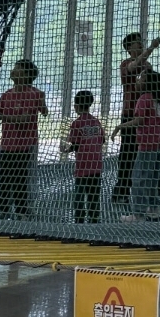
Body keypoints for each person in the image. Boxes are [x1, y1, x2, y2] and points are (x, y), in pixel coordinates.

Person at [113, 33, 160, 203]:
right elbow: (134, 66)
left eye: (141, 42)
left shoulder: (147, 66)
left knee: (149, 150)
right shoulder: (126, 64)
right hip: (131, 114)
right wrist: (152, 47)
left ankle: (154, 185)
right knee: (128, 154)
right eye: (137, 43)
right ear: (129, 48)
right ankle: (122, 190)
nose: (140, 45)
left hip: (148, 115)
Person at [0, 60, 47, 219]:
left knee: (21, 179)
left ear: (26, 75)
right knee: (4, 178)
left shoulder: (33, 94)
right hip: (7, 144)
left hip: (25, 145)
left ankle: (22, 211)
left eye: (17, 69)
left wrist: (6, 117)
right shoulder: (7, 94)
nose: (13, 71)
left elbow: (25, 119)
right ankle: (3, 209)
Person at [114, 72, 160, 222]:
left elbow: (139, 120)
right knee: (151, 177)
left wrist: (120, 126)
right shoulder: (155, 98)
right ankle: (154, 209)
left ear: (147, 83)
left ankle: (138, 213)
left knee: (138, 177)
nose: (137, 80)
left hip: (148, 144)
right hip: (159, 142)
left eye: (141, 78)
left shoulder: (144, 99)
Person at [63, 89, 104, 224]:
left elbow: (75, 144)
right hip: (96, 165)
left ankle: (79, 219)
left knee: (80, 194)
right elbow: (102, 140)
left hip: (83, 166)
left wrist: (67, 150)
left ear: (76, 106)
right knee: (94, 195)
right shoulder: (96, 122)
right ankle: (94, 218)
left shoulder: (77, 123)